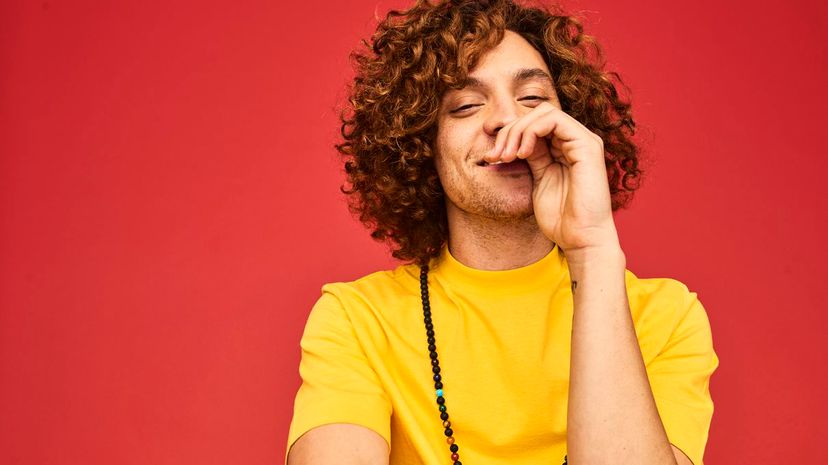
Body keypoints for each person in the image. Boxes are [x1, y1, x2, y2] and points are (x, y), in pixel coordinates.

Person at [285, 1, 719, 464]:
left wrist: (592, 251)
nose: (508, 119)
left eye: (532, 99)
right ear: (419, 147)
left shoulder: (665, 317)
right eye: (467, 105)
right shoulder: (357, 320)